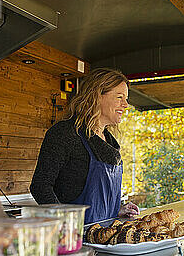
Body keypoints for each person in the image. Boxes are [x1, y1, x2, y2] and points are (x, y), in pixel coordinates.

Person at [30, 68, 139, 224]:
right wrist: (65, 223)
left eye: (126, 98)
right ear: (96, 96)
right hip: (75, 239)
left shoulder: (110, 141)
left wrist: (117, 209)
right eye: (119, 97)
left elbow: (100, 201)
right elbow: (41, 186)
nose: (126, 104)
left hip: (107, 235)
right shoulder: (65, 133)